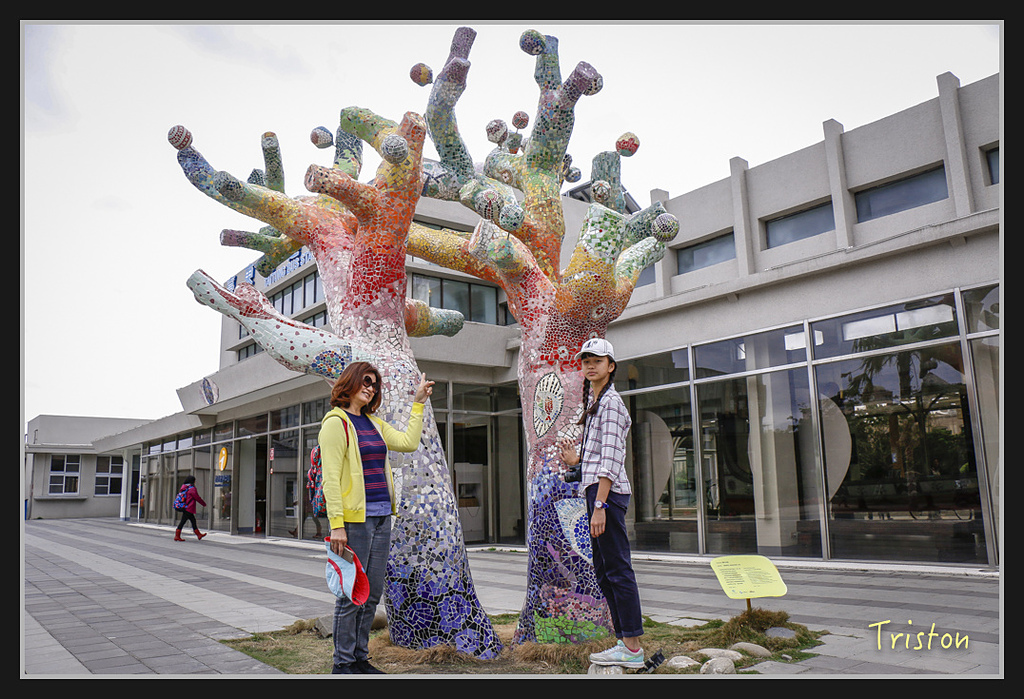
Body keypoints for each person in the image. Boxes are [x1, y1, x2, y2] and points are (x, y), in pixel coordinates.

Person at [321, 361, 433, 675]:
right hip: (355, 521)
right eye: (366, 382)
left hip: (383, 516)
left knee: (371, 594)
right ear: (351, 383)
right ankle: (342, 664)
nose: (370, 388)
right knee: (350, 593)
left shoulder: (374, 423)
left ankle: (359, 658)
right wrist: (337, 525)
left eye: (374, 385)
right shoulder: (336, 422)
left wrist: (418, 403)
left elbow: (408, 443)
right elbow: (331, 479)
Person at [559, 338, 645, 669]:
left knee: (618, 569)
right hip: (598, 491)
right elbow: (598, 460)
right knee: (605, 571)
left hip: (604, 496)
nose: (590, 365)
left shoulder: (610, 405)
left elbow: (610, 459)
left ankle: (632, 648)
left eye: (598, 360)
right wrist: (577, 462)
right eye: (586, 361)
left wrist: (599, 507)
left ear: (611, 366)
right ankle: (627, 642)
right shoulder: (596, 403)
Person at [173, 475, 207, 541]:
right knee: (183, 522)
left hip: (185, 507)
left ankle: (199, 534)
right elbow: (197, 497)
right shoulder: (192, 488)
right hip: (189, 507)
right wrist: (203, 504)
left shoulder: (184, 488)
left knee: (193, 520)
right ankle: (177, 536)